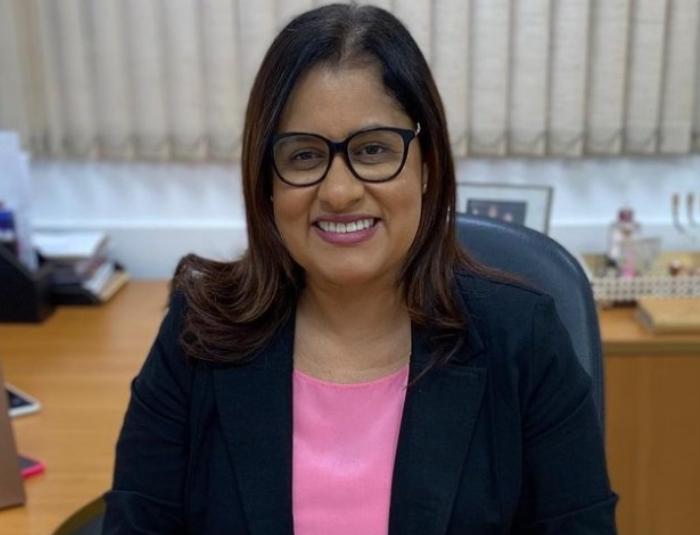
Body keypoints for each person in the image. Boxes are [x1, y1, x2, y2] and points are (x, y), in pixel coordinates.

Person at [103, 4, 617, 534]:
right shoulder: (198, 335)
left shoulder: (523, 341)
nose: (340, 191)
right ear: (267, 182)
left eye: (373, 150)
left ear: (427, 165)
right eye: (304, 156)